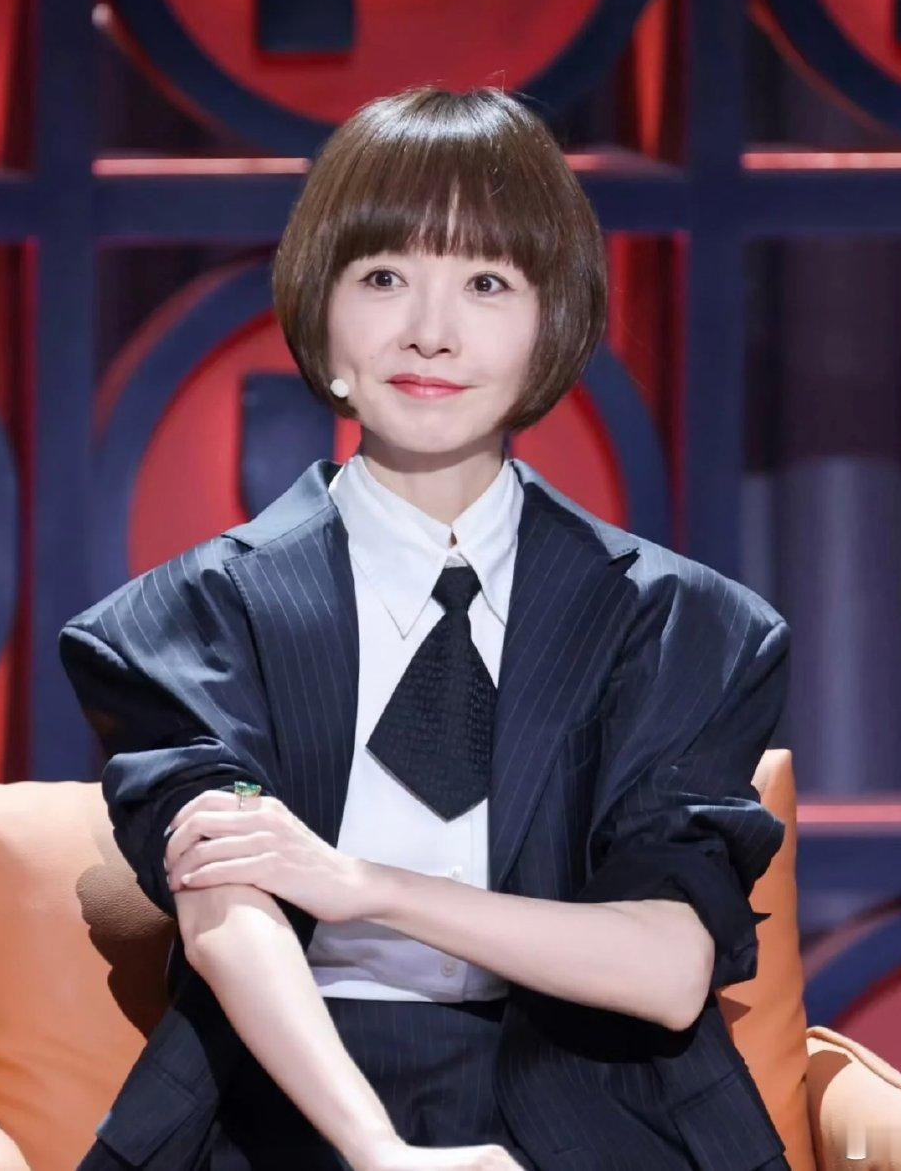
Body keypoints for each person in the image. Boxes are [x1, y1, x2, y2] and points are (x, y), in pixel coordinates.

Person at [59, 85, 792, 1171]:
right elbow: (227, 915)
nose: (431, 334)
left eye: (487, 283)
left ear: (551, 323)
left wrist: (368, 886)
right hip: (286, 1099)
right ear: (322, 313)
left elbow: (668, 969)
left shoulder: (684, 626)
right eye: (384, 278)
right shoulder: (187, 621)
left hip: (598, 1096)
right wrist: (380, 1152)